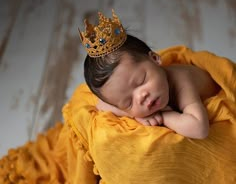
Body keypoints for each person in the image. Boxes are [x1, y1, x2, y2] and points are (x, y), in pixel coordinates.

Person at [79, 10, 220, 139]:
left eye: (141, 81)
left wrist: (163, 116)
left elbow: (200, 129)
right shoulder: (128, 91)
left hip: (216, 94)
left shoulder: (182, 82)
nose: (140, 96)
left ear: (155, 58)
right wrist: (133, 114)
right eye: (128, 102)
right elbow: (102, 105)